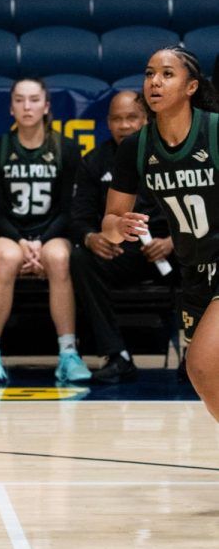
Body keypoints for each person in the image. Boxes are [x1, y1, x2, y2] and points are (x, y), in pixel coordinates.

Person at [103, 48, 219, 410]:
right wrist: (120, 226)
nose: (155, 81)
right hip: (194, 271)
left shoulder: (214, 132)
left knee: (200, 365)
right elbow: (109, 225)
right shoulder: (136, 148)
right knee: (206, 376)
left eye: (167, 74)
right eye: (149, 73)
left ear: (191, 87)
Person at [0, 78, 85, 386]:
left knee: (60, 257)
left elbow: (68, 210)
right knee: (9, 257)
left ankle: (68, 353)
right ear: (11, 108)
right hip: (8, 235)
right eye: (20, 100)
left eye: (34, 100)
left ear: (46, 106)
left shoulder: (66, 149)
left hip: (51, 234)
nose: (27, 106)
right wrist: (23, 242)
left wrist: (40, 242)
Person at [70, 90, 175, 385]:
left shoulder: (168, 153)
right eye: (117, 119)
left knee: (201, 253)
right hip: (120, 252)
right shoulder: (94, 161)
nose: (125, 125)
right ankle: (117, 355)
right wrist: (92, 238)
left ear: (145, 120)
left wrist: (172, 243)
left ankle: (194, 354)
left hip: (169, 249)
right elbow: (78, 217)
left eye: (131, 118)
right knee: (80, 257)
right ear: (108, 122)